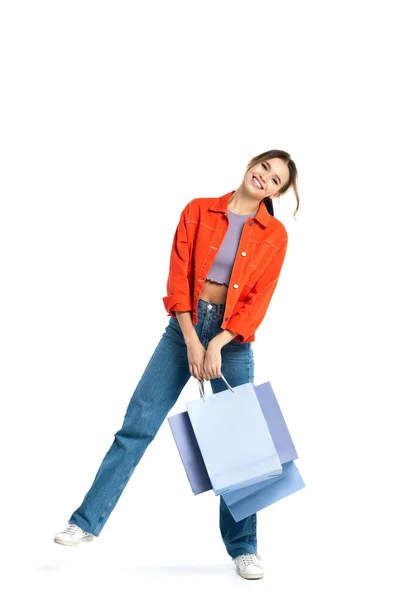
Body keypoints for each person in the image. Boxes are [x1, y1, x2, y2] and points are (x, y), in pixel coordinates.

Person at [54, 149, 300, 580]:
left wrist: (219, 342)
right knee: (138, 423)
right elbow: (178, 277)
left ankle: (244, 547)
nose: (265, 177)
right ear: (250, 166)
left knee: (240, 447)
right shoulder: (197, 210)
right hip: (183, 328)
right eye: (263, 167)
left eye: (275, 179)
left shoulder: (274, 235)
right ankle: (85, 522)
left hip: (233, 342)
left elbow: (258, 301)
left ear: (277, 191)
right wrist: (191, 339)